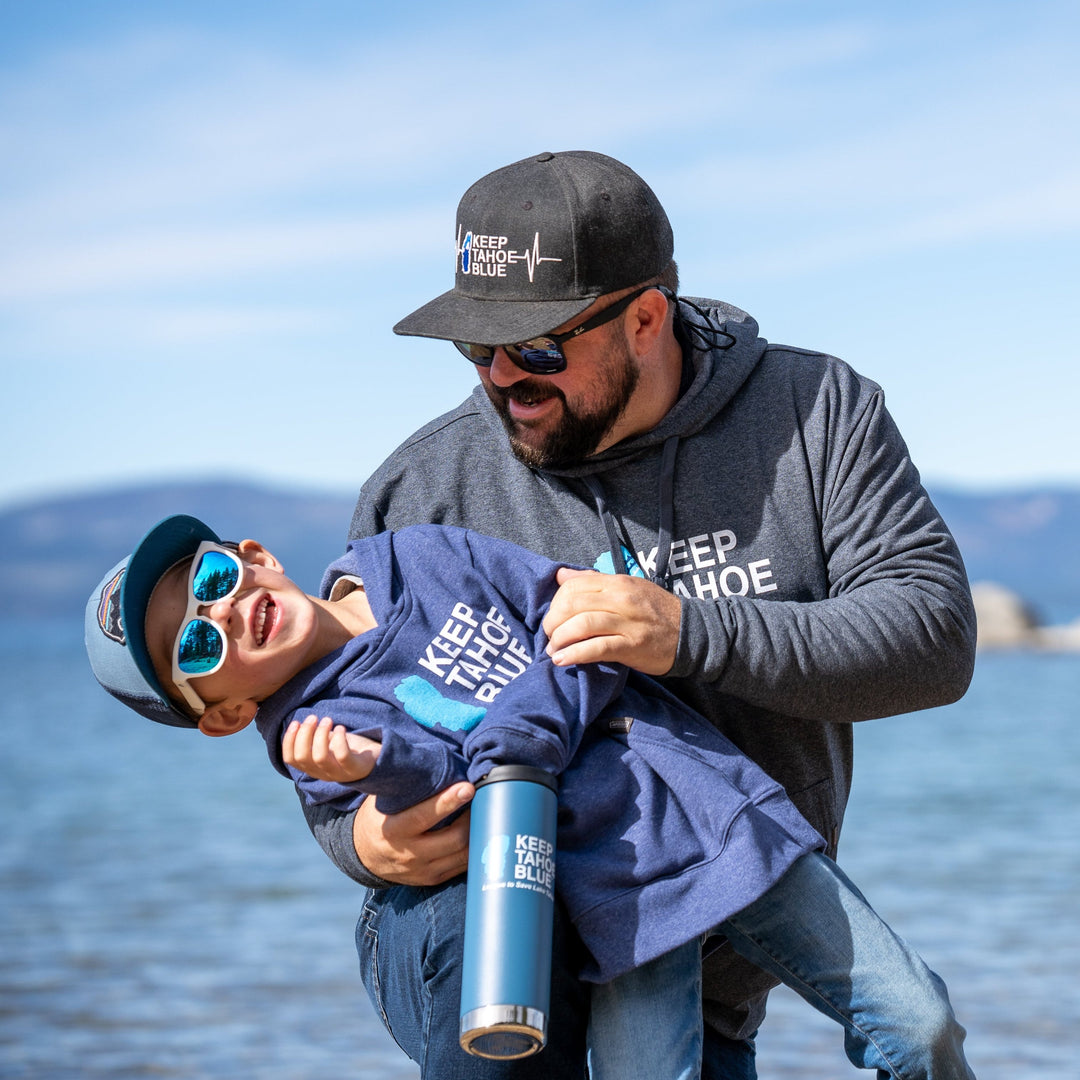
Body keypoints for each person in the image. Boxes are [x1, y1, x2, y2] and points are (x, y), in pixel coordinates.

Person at [291, 150, 979, 1079]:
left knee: (920, 1031)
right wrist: (366, 844)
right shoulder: (423, 492)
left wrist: (691, 633)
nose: (502, 380)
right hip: (502, 947)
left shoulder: (817, 412)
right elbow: (343, 714)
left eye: (538, 348)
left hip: (717, 947)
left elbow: (933, 638)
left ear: (646, 316)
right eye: (476, 348)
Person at [84, 513, 976, 1079]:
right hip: (614, 906)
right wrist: (380, 772)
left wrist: (521, 740)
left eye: (209, 584)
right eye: (196, 649)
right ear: (224, 713)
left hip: (711, 815)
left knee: (920, 1023)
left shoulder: (418, 555)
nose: (226, 614)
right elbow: (465, 801)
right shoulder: (319, 746)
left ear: (251, 556)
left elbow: (581, 626)